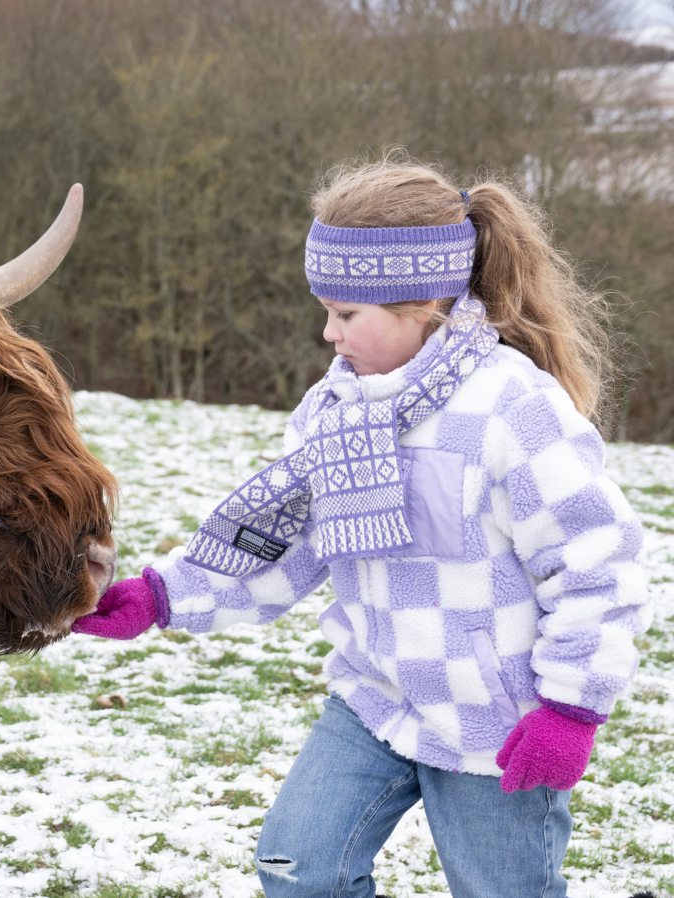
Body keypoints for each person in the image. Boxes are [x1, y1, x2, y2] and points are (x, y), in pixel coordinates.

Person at [73, 159, 650, 897]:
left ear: (425, 302)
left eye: (347, 314)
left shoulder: (513, 408)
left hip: (495, 724)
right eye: (326, 309)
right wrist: (163, 597)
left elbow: (599, 560)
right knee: (297, 869)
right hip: (374, 699)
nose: (328, 333)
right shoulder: (335, 410)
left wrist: (570, 707)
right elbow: (281, 535)